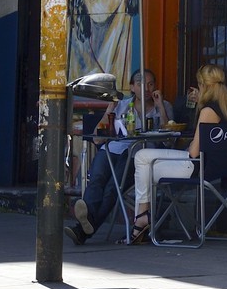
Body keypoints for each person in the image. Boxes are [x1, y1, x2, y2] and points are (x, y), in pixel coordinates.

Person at [127, 64, 227, 245]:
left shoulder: (207, 111)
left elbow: (193, 152)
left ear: (203, 85)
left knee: (142, 159)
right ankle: (143, 218)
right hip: (222, 168)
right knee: (145, 163)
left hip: (196, 167)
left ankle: (142, 217)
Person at [67, 67, 172, 244]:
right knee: (98, 178)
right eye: (140, 84)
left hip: (139, 154)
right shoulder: (121, 105)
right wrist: (109, 111)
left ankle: (83, 230)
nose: (146, 88)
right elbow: (98, 139)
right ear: (132, 87)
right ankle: (88, 216)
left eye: (150, 84)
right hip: (113, 149)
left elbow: (169, 140)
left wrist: (160, 106)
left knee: (113, 187)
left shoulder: (163, 106)